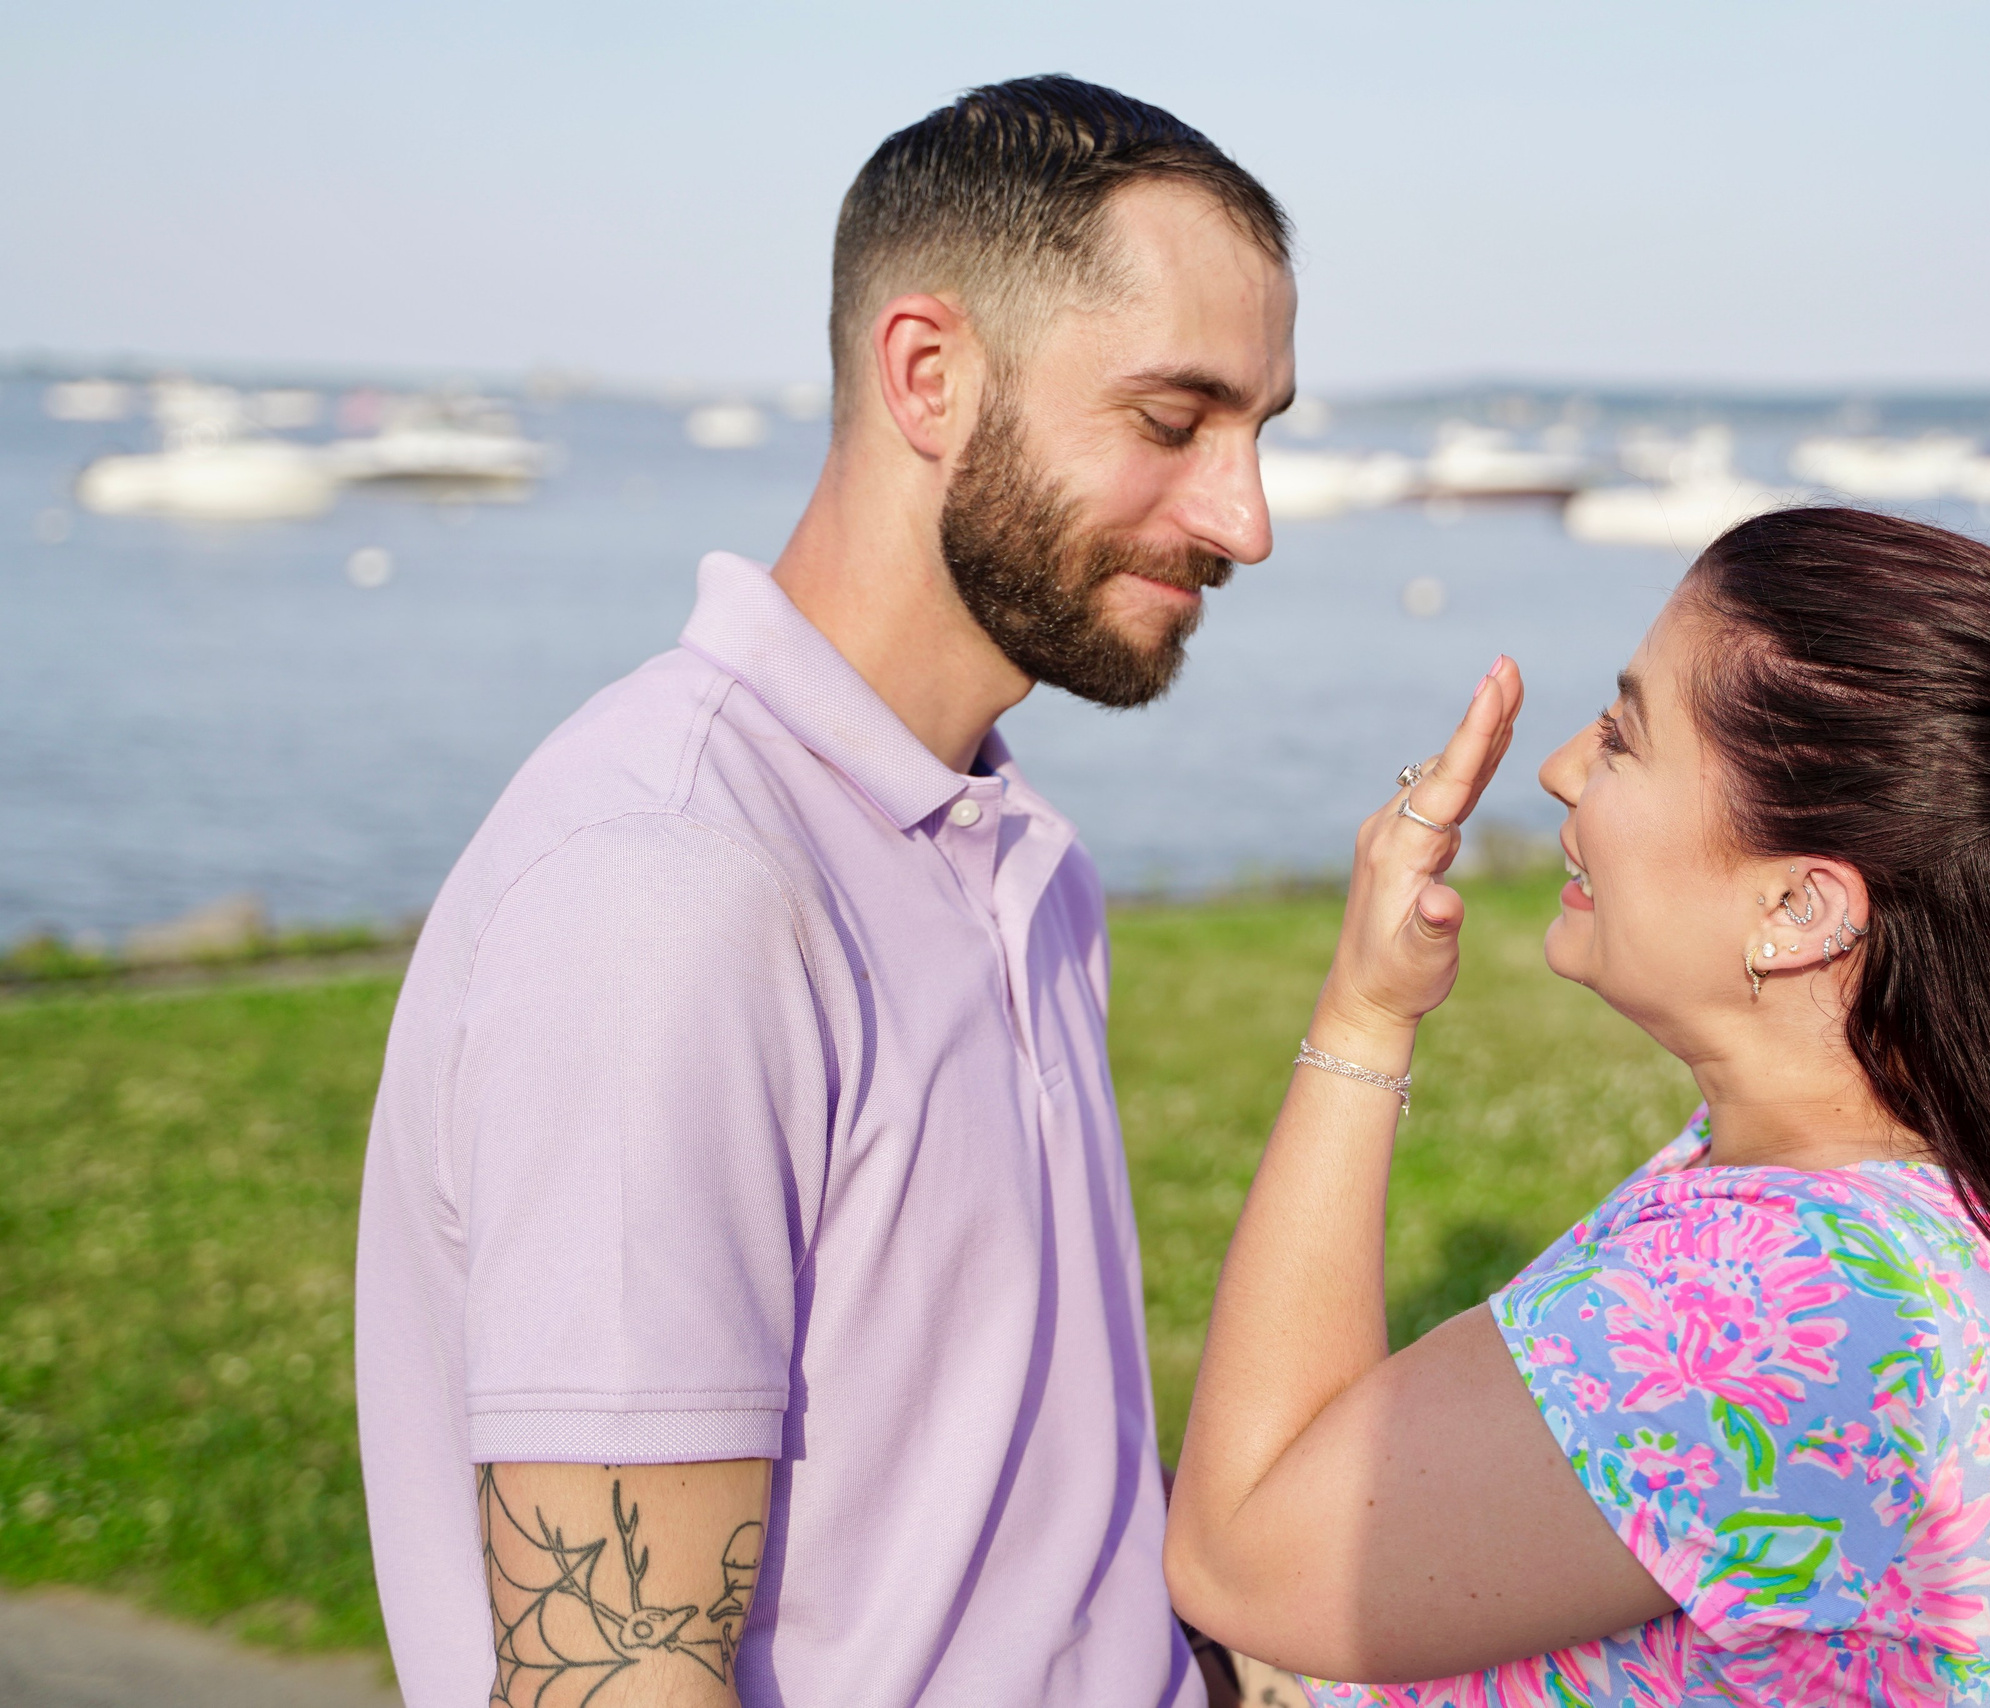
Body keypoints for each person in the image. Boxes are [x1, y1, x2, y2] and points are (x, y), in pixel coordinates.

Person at [355, 76, 1295, 1708]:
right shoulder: (671, 884)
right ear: (926, 373)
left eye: (1260, 433)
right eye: (1172, 420)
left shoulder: (1023, 852)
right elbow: (616, 1674)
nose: (1247, 517)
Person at [1165, 507, 1990, 1706]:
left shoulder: (1755, 1303)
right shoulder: (1943, 1195)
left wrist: (1361, 1016)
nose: (1562, 766)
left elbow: (1237, 1554)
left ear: (1798, 909)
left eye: (1623, 737)